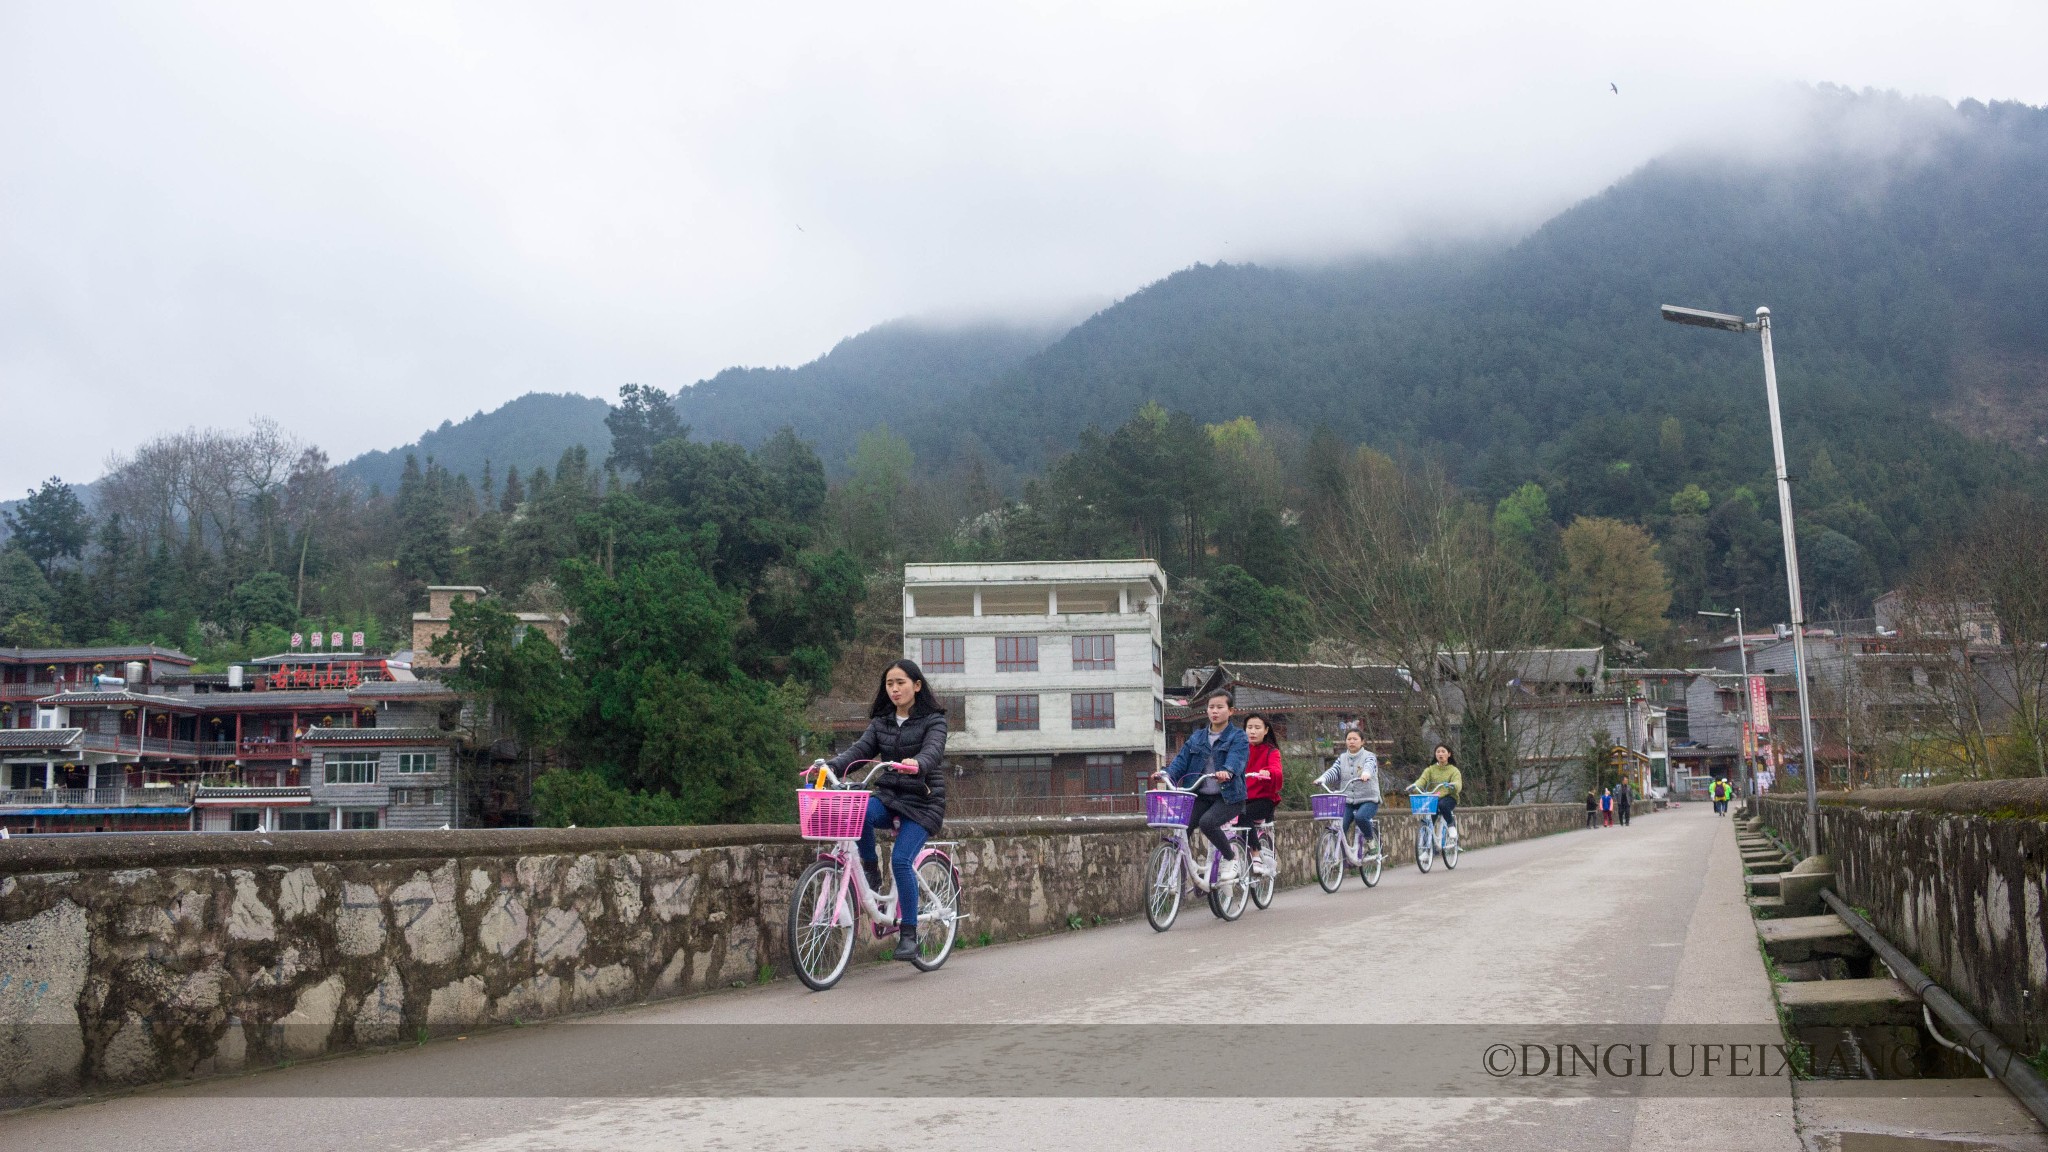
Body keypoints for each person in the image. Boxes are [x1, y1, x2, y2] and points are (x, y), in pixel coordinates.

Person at [818, 658, 948, 962]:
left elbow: (933, 749)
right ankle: (870, 868)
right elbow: (860, 751)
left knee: (902, 860)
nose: (895, 689)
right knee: (857, 811)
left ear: (916, 686)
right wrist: (831, 766)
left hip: (923, 801)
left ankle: (909, 934)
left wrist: (920, 763)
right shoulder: (882, 722)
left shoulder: (934, 720)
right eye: (890, 684)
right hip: (890, 795)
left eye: (900, 682)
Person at [1160, 691, 1249, 882]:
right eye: (1211, 707)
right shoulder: (1197, 738)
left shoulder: (1238, 736)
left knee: (1207, 823)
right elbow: (1180, 761)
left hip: (1228, 797)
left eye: (1220, 707)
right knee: (1182, 825)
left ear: (1230, 711)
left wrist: (1227, 771)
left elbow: (1237, 758)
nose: (1214, 711)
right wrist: (1166, 773)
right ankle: (1178, 871)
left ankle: (1231, 857)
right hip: (1200, 795)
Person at [1317, 727, 1381, 854]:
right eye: (1349, 739)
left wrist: (1366, 773)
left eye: (1355, 739)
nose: (1351, 741)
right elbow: (1334, 771)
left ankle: (1371, 842)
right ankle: (1341, 856)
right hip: (1348, 800)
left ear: (1362, 741)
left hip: (1368, 799)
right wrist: (1322, 779)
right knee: (1340, 825)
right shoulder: (1342, 758)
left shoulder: (1369, 756)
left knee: (1361, 817)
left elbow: (1370, 765)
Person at [1241, 713, 1284, 876]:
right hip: (1242, 798)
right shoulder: (1240, 749)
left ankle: (1256, 854)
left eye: (1257, 728)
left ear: (1266, 730)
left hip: (1264, 800)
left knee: (1242, 816)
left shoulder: (1271, 751)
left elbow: (1276, 770)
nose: (1252, 731)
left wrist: (1268, 772)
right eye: (1249, 727)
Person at [1413, 744, 1463, 830]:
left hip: (1449, 797)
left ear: (1449, 754)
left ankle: (1451, 825)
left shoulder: (1454, 770)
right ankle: (1427, 836)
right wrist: (1415, 786)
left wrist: (1453, 785)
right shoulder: (1430, 770)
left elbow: (1458, 783)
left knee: (1442, 804)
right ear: (1435, 754)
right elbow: (1422, 780)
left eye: (1443, 751)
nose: (1440, 754)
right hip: (1433, 797)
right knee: (1432, 811)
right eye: (1438, 752)